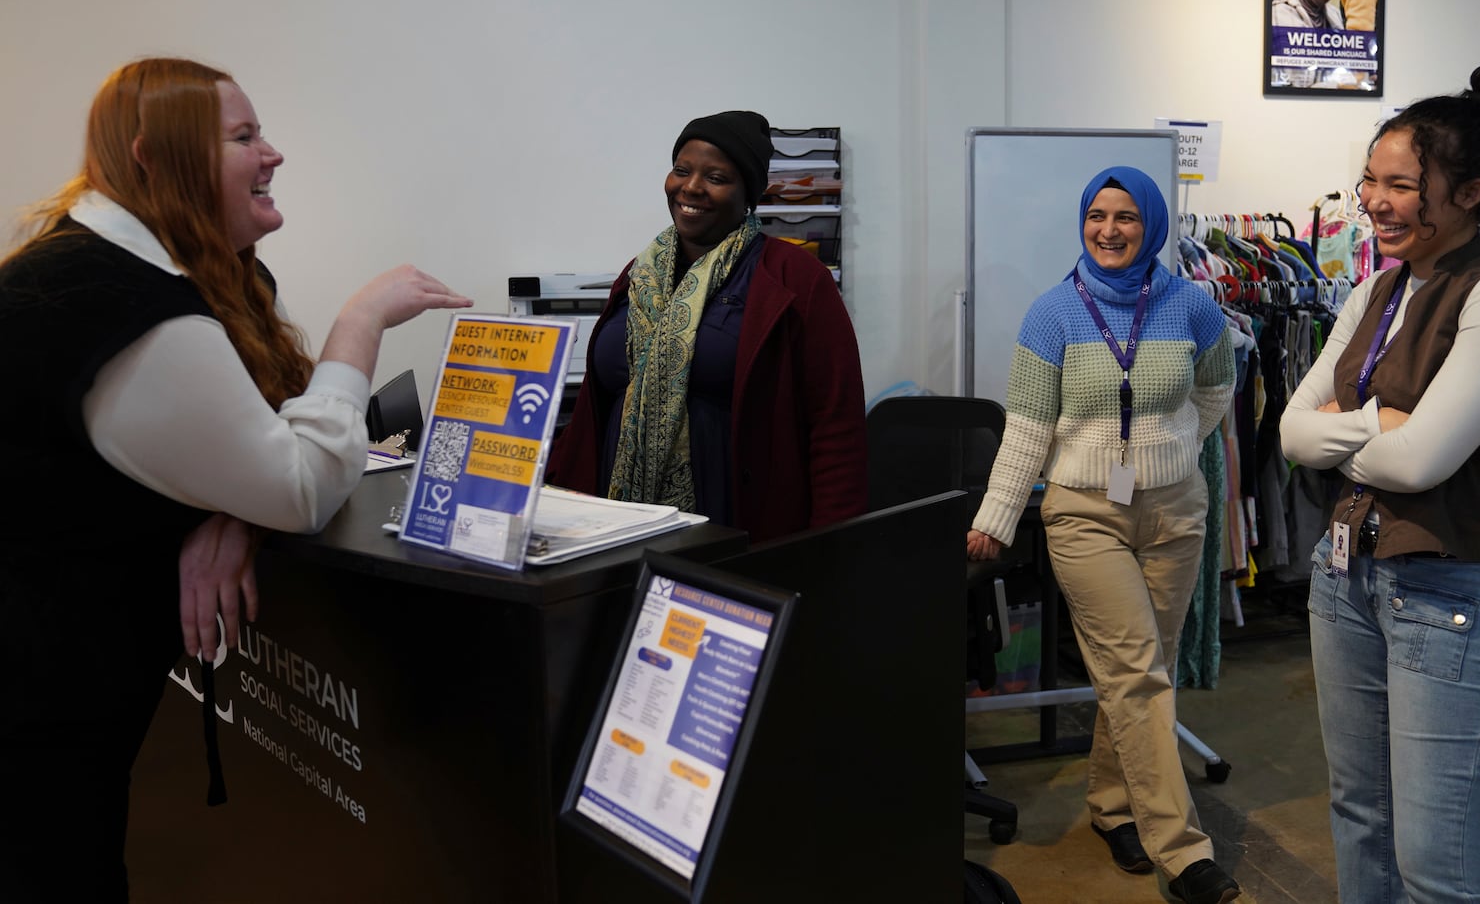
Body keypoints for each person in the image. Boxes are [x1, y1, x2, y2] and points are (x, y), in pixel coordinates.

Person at [0, 57, 472, 901]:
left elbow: (254, 443)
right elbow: (297, 481)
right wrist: (359, 323)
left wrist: (232, 511)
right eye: (244, 137)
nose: (273, 154)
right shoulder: (119, 300)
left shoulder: (182, 272)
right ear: (157, 157)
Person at [1279, 64, 1480, 904]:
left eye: (1403, 184)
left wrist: (1346, 435)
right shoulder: (1377, 287)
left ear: (1470, 193)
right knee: (1361, 820)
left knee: (1438, 866)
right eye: (1371, 177)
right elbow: (1294, 434)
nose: (1374, 199)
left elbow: (1421, 464)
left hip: (1456, 586)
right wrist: (1376, 428)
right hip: (1347, 578)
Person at [966, 166, 1240, 904]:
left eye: (1125, 217)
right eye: (1097, 216)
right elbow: (1027, 428)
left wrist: (1171, 447)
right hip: (1085, 511)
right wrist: (994, 518)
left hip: (1176, 510)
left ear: (1150, 224)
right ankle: (1182, 852)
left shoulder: (1193, 306)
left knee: (1146, 668)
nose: (1110, 230)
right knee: (1138, 673)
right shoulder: (1052, 312)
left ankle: (1114, 806)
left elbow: (1218, 388)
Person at [546, 110, 867, 543]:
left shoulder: (795, 278)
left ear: (749, 193)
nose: (691, 187)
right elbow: (594, 406)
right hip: (617, 521)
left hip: (738, 523)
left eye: (716, 177)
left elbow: (836, 427)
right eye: (682, 170)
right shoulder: (639, 274)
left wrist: (829, 548)